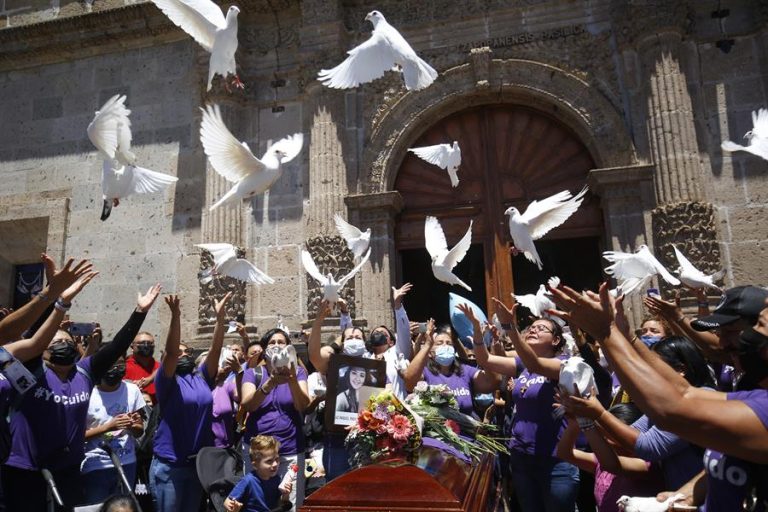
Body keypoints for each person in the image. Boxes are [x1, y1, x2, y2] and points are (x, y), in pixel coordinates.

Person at [548, 282, 768, 508]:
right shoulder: (750, 395)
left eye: (760, 327)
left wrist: (606, 333)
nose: (721, 342)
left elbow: (672, 410)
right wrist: (682, 497)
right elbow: (684, 392)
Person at [1, 259, 161, 512]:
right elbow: (31, 338)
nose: (62, 345)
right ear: (42, 349)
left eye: (66, 341)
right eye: (55, 343)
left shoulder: (84, 373)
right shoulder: (31, 372)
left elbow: (117, 346)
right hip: (26, 469)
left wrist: (139, 312)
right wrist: (57, 297)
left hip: (67, 469)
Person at [467, 300, 580, 512]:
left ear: (556, 340)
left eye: (542, 328)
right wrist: (476, 329)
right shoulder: (522, 366)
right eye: (532, 327)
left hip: (555, 459)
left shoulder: (565, 364)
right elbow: (486, 359)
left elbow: (535, 364)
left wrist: (510, 328)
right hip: (522, 457)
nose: (534, 330)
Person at [149, 292, 231, 512]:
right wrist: (176, 315)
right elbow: (171, 352)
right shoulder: (167, 381)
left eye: (188, 352)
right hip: (170, 465)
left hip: (196, 465)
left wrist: (220, 319)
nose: (183, 355)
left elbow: (215, 349)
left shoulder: (202, 377)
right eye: (180, 352)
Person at [240, 327, 309, 511]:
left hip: (289, 451)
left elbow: (302, 405)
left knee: (289, 504)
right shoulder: (252, 373)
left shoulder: (300, 373)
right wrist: (270, 384)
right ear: (264, 348)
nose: (277, 345)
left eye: (281, 342)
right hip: (258, 454)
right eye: (272, 342)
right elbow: (249, 405)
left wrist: (292, 379)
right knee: (258, 504)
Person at [556, 403, 664, 512]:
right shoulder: (602, 460)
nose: (607, 440)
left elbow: (614, 465)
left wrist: (587, 420)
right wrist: (574, 424)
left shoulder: (646, 465)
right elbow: (565, 453)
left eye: (612, 435)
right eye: (604, 434)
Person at [81, 355, 146, 504]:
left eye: (120, 364)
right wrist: (107, 427)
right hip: (96, 464)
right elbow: (77, 436)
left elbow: (139, 430)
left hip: (127, 462)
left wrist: (133, 426)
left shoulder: (132, 390)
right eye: (110, 364)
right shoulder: (87, 392)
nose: (115, 368)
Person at [403, 317, 499, 417]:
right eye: (439, 343)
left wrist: (482, 346)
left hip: (466, 431)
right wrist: (427, 344)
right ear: (430, 352)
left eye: (449, 344)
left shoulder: (465, 370)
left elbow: (492, 382)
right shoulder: (425, 372)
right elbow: (409, 381)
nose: (445, 346)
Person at [224, 435, 290, 512]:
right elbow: (227, 502)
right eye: (269, 461)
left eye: (277, 459)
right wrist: (234, 507)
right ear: (255, 465)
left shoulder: (276, 479)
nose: (275, 464)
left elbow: (280, 503)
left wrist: (285, 494)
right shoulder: (248, 481)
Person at [125, 331, 160, 404]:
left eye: (150, 343)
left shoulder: (159, 366)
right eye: (141, 343)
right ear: (132, 347)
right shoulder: (124, 367)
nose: (146, 345)